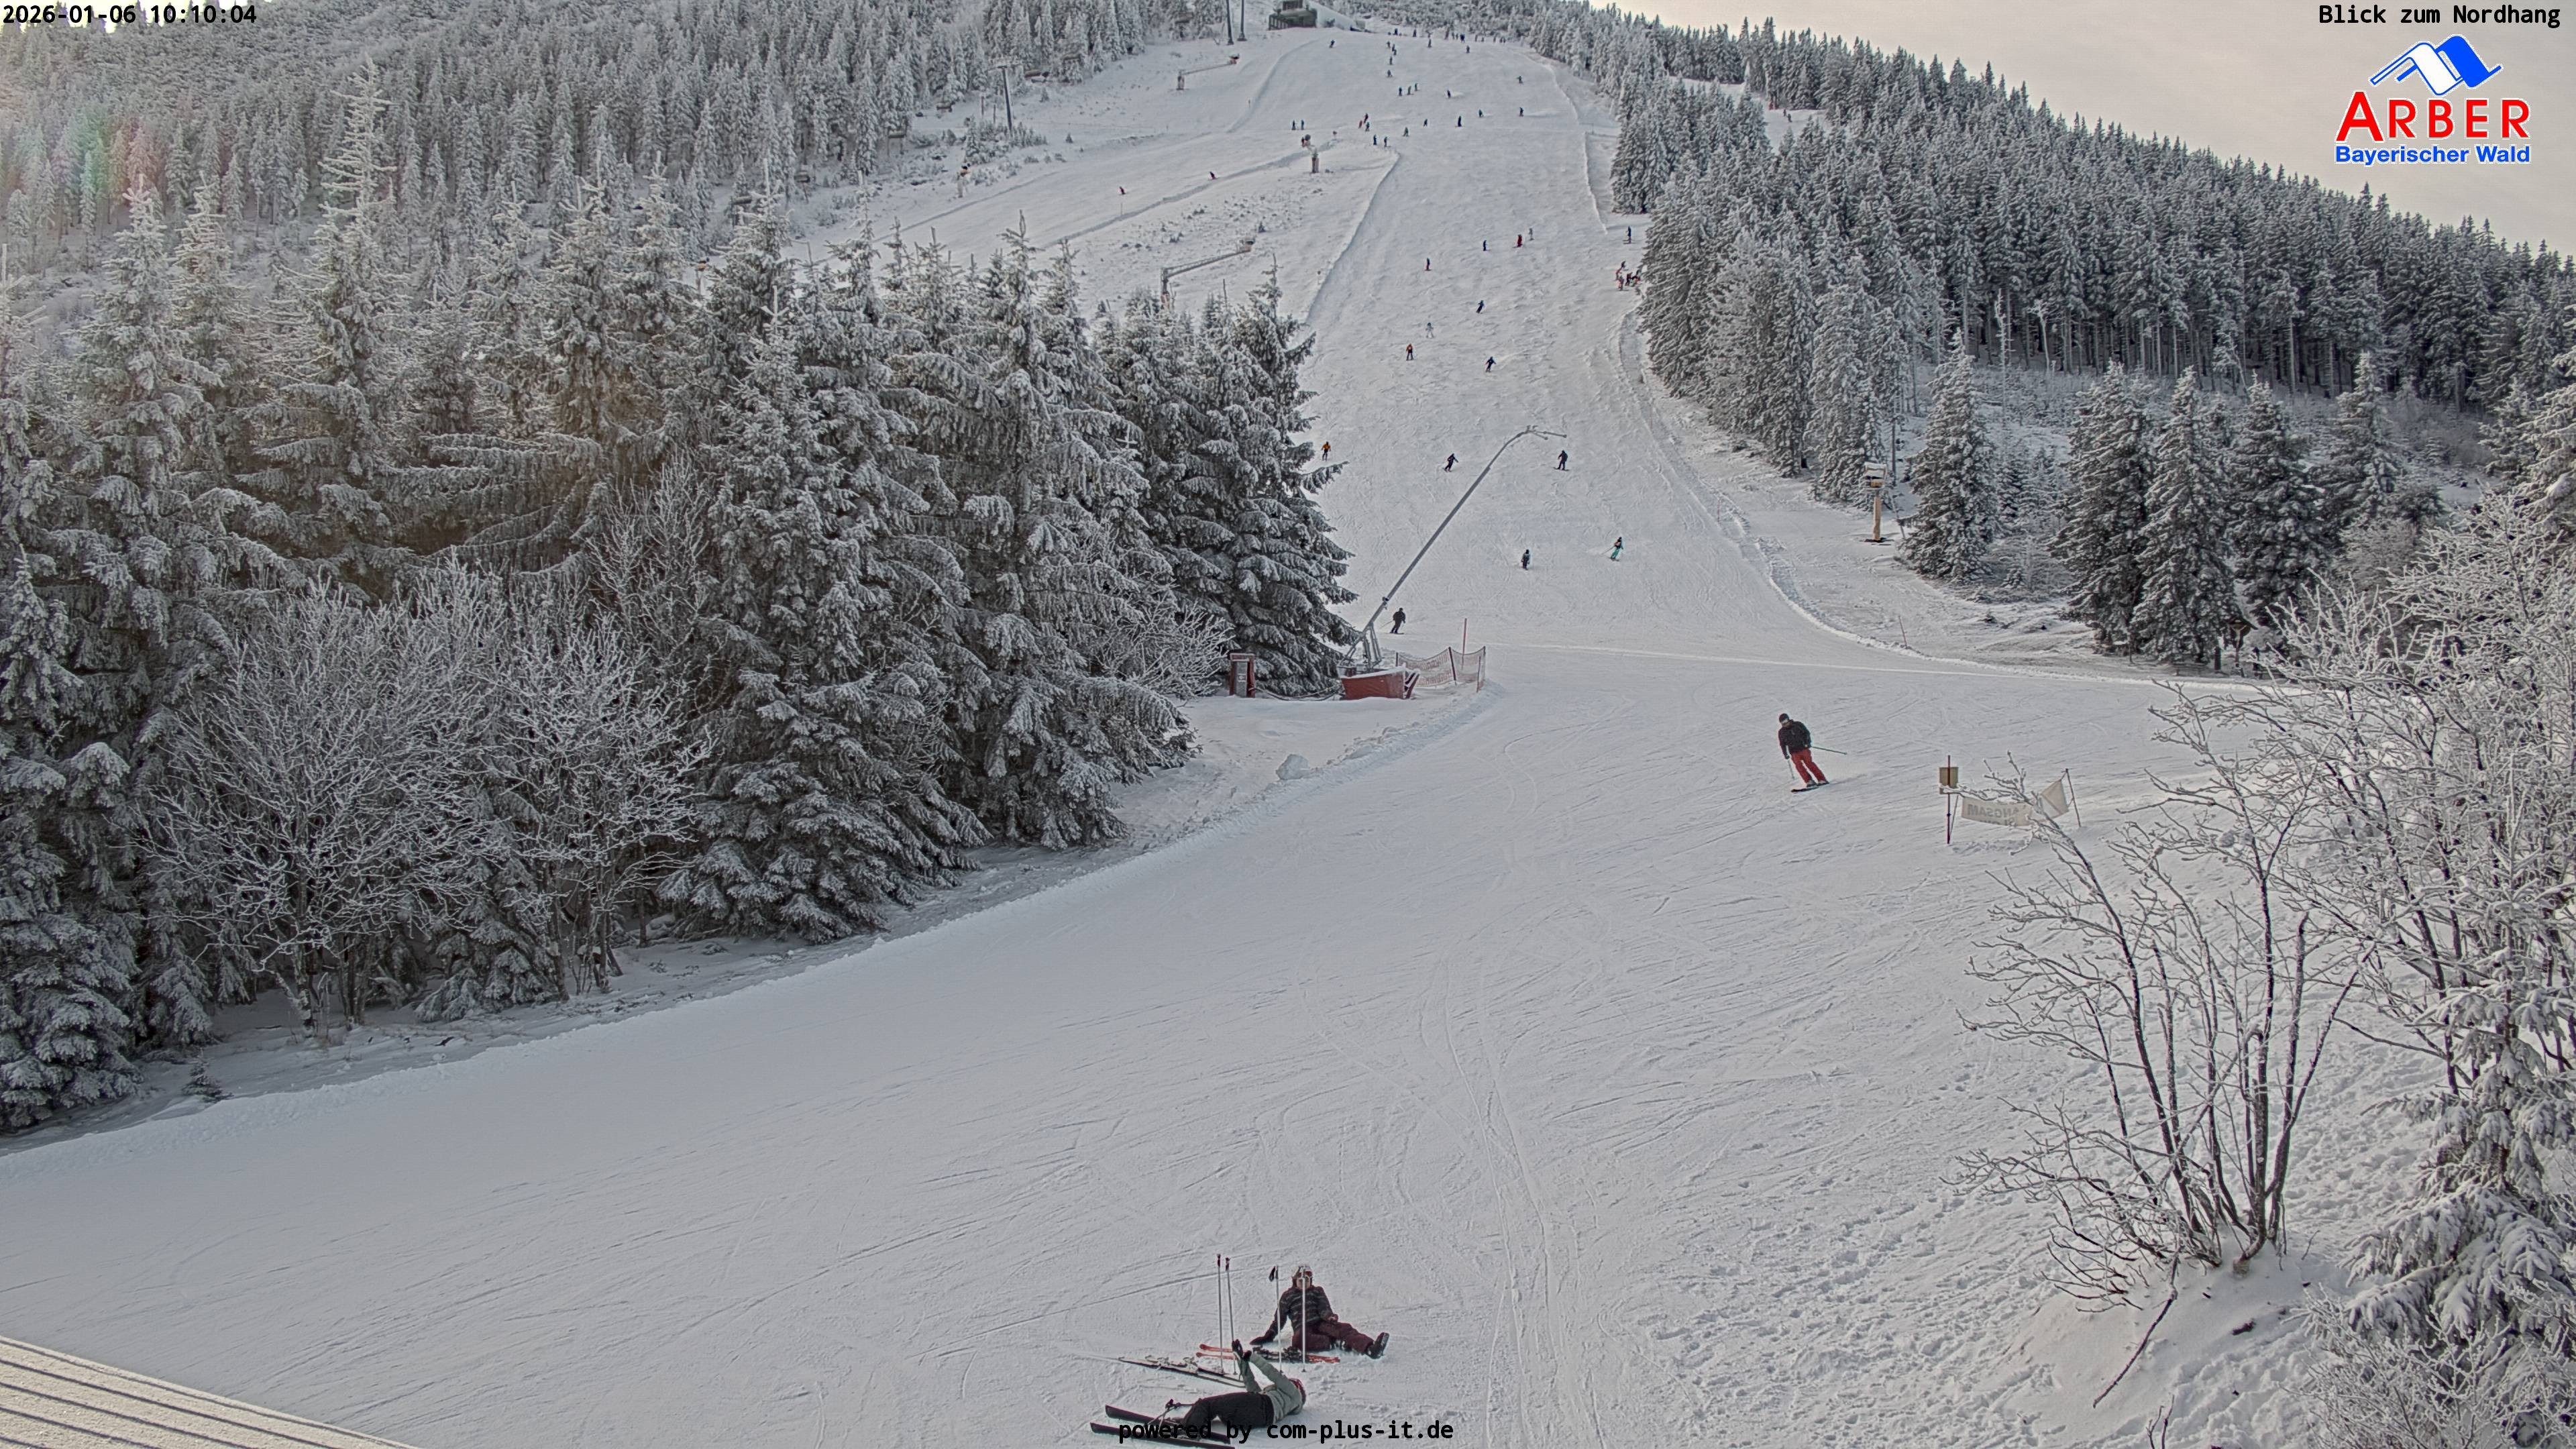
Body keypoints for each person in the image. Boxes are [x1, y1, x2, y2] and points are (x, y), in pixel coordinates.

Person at [1173, 1342, 1306, 1438]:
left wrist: (1253, 1357)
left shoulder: (1295, 1393)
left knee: (1207, 1404)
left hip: (1261, 1406)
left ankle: (1191, 1430)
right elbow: (1251, 1386)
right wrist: (1241, 1359)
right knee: (1219, 1409)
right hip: (1255, 1419)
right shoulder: (1283, 1402)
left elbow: (1273, 1374)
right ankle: (1191, 1421)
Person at [1251, 1267, 1387, 1359]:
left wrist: (1329, 1317)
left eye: (1307, 1280)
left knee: (1344, 1328)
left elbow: (1324, 1308)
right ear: (1295, 1281)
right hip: (1303, 1327)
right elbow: (1279, 1319)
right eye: (1301, 1281)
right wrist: (1269, 1335)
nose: (1304, 1283)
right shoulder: (1288, 1296)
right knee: (1298, 1341)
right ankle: (1333, 1342)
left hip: (1320, 1323)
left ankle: (1370, 1348)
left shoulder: (1317, 1291)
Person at [1778, 713, 1829, 788]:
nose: (1785, 724)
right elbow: (1782, 744)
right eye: (1782, 723)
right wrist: (1785, 753)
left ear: (1788, 719)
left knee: (1809, 764)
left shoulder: (1798, 725)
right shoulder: (1782, 732)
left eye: (1785, 721)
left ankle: (1822, 779)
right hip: (1794, 752)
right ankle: (1809, 781)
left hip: (1803, 748)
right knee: (1799, 767)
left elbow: (1807, 733)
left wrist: (1807, 743)